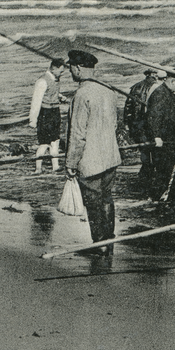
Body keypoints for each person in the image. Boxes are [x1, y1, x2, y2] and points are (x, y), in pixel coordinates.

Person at [64, 50, 122, 256]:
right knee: (107, 198)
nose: (69, 70)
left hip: (91, 160)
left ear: (78, 68)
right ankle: (109, 240)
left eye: (70, 66)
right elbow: (115, 125)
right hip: (110, 156)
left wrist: (71, 163)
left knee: (93, 202)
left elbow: (77, 134)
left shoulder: (81, 94)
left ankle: (99, 245)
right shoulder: (108, 91)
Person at [144, 67, 175, 202]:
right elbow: (153, 116)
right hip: (164, 142)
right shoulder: (161, 94)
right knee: (165, 170)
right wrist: (156, 136)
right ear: (174, 81)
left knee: (168, 170)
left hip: (171, 140)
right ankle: (158, 198)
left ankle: (163, 196)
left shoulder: (166, 93)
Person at [28, 58, 68, 174]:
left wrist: (60, 96)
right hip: (45, 114)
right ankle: (38, 168)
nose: (61, 74)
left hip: (55, 112)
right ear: (54, 68)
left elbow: (52, 91)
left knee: (55, 140)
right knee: (44, 142)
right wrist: (33, 120)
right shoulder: (42, 81)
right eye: (60, 71)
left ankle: (55, 166)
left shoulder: (54, 79)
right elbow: (36, 101)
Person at [122, 68, 159, 185]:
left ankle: (145, 175)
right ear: (153, 74)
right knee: (155, 150)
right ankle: (150, 176)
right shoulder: (156, 87)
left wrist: (128, 124)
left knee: (145, 151)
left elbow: (128, 107)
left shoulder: (135, 87)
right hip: (149, 124)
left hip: (138, 125)